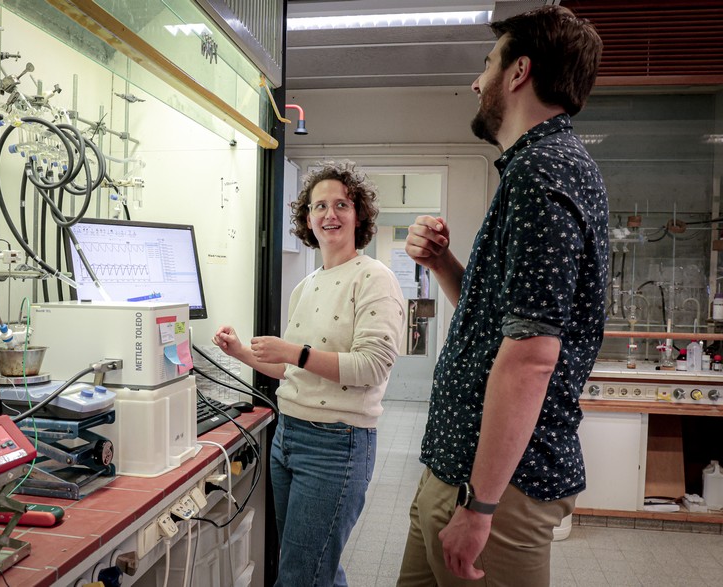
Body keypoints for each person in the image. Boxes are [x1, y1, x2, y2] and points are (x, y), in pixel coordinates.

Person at [396, 6, 607, 587]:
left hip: (496, 490)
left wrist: (481, 507)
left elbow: (533, 358)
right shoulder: (536, 169)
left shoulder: (544, 170)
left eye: (487, 63)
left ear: (517, 73)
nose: (475, 80)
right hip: (457, 468)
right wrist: (442, 263)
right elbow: (501, 326)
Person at [213, 160, 406, 587]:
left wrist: (296, 353)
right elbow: (290, 370)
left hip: (337, 444)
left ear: (360, 217)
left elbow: (371, 368)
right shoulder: (307, 284)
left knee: (302, 574)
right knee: (314, 567)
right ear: (306, 219)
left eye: (342, 204)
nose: (330, 214)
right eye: (319, 206)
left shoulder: (375, 278)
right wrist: (242, 352)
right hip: (289, 437)